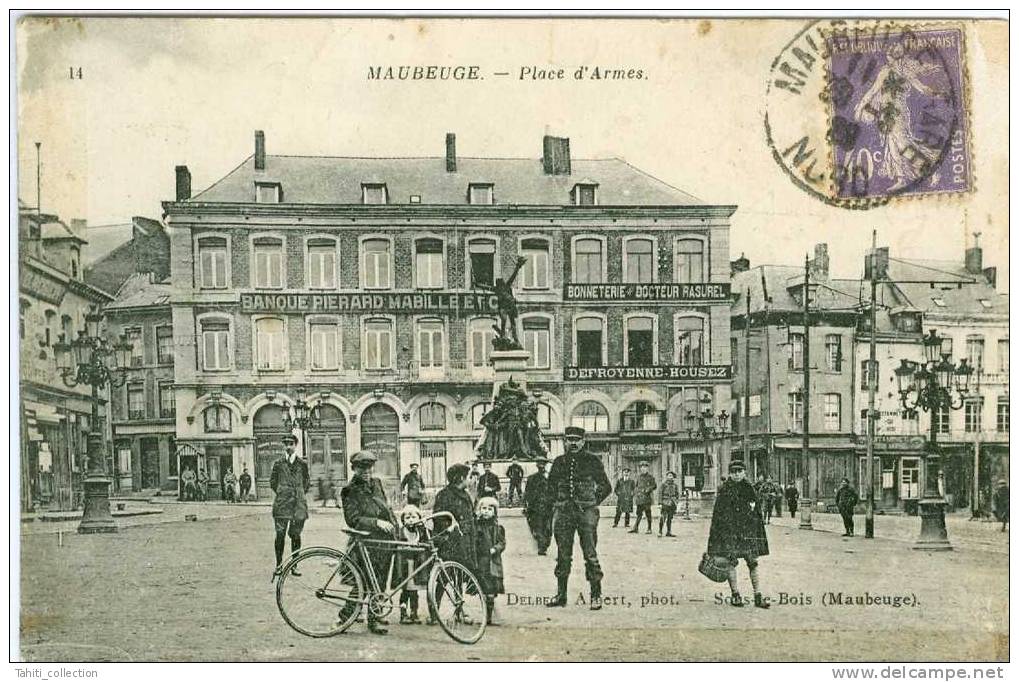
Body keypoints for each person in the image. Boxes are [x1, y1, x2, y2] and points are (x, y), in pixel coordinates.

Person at [545, 425, 612, 610]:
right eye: (569, 439)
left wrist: (591, 502)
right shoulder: (559, 462)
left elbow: (606, 487)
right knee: (562, 555)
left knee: (590, 555)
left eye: (576, 440)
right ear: (565, 441)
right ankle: (561, 595)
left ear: (583, 441)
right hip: (564, 513)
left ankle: (596, 595)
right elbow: (550, 488)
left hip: (586, 513)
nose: (573, 443)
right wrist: (556, 505)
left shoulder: (593, 461)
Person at [340, 449, 398, 635]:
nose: (366, 472)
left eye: (369, 468)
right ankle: (344, 617)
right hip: (365, 541)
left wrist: (393, 524)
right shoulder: (349, 490)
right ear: (354, 469)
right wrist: (376, 522)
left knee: (380, 581)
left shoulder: (377, 483)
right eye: (361, 468)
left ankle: (375, 615)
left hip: (383, 541)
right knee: (362, 582)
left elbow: (385, 507)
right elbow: (352, 519)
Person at [706, 461, 770, 609]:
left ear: (744, 472)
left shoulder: (749, 488)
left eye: (739, 471)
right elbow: (718, 515)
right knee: (730, 562)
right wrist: (717, 536)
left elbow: (757, 513)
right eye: (734, 471)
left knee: (752, 562)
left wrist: (755, 529)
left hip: (747, 532)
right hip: (730, 533)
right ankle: (735, 595)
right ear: (729, 473)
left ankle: (758, 595)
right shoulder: (724, 489)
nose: (736, 474)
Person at [270, 434, 311, 576]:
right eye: (286, 444)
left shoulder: (302, 464)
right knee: (280, 535)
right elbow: (273, 483)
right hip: (282, 505)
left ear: (296, 445)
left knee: (295, 535)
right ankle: (279, 565)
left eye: (291, 443)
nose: (288, 446)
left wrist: (298, 493)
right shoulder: (278, 464)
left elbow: (307, 482)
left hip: (298, 505)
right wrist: (283, 492)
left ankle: (294, 565)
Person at [432, 464, 477, 573]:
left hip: (467, 540)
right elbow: (438, 517)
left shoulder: (465, 494)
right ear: (461, 478)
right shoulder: (444, 495)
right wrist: (450, 528)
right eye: (469, 477)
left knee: (466, 573)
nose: (470, 480)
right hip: (452, 542)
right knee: (448, 573)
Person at [474, 496, 506, 625]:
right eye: (483, 508)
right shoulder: (477, 526)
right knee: (483, 589)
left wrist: (495, 549)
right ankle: (486, 614)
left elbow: (502, 542)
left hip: (493, 563)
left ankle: (489, 617)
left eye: (489, 509)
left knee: (491, 591)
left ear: (494, 512)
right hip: (481, 562)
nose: (486, 511)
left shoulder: (498, 528)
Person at [397, 504, 429, 625]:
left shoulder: (420, 532)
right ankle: (403, 613)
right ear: (403, 520)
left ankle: (414, 612)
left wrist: (423, 525)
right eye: (407, 517)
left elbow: (427, 538)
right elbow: (398, 544)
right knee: (405, 591)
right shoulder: (401, 532)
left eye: (414, 517)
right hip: (405, 565)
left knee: (414, 592)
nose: (410, 520)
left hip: (416, 566)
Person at [523, 456, 552, 555]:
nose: (541, 466)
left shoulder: (550, 477)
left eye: (543, 464)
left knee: (548, 529)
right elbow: (527, 493)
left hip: (549, 506)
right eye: (539, 464)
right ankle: (541, 546)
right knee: (538, 527)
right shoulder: (532, 478)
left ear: (546, 465)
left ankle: (545, 544)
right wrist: (526, 506)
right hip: (535, 507)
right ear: (536, 465)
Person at [629, 461, 656, 535]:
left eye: (645, 467)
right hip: (640, 498)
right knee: (639, 514)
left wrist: (648, 489)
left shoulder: (651, 477)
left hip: (647, 498)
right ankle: (636, 528)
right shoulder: (638, 477)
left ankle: (649, 528)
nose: (643, 469)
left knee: (648, 514)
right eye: (641, 467)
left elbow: (654, 486)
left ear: (647, 468)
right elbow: (636, 487)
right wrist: (635, 493)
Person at [658, 471, 680, 537]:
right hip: (665, 502)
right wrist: (660, 503)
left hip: (672, 503)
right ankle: (660, 531)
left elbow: (677, 494)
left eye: (671, 476)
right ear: (667, 477)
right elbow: (660, 494)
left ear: (673, 477)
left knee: (670, 518)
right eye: (669, 476)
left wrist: (676, 502)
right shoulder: (663, 484)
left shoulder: (675, 485)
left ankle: (668, 532)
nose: (670, 477)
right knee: (663, 517)